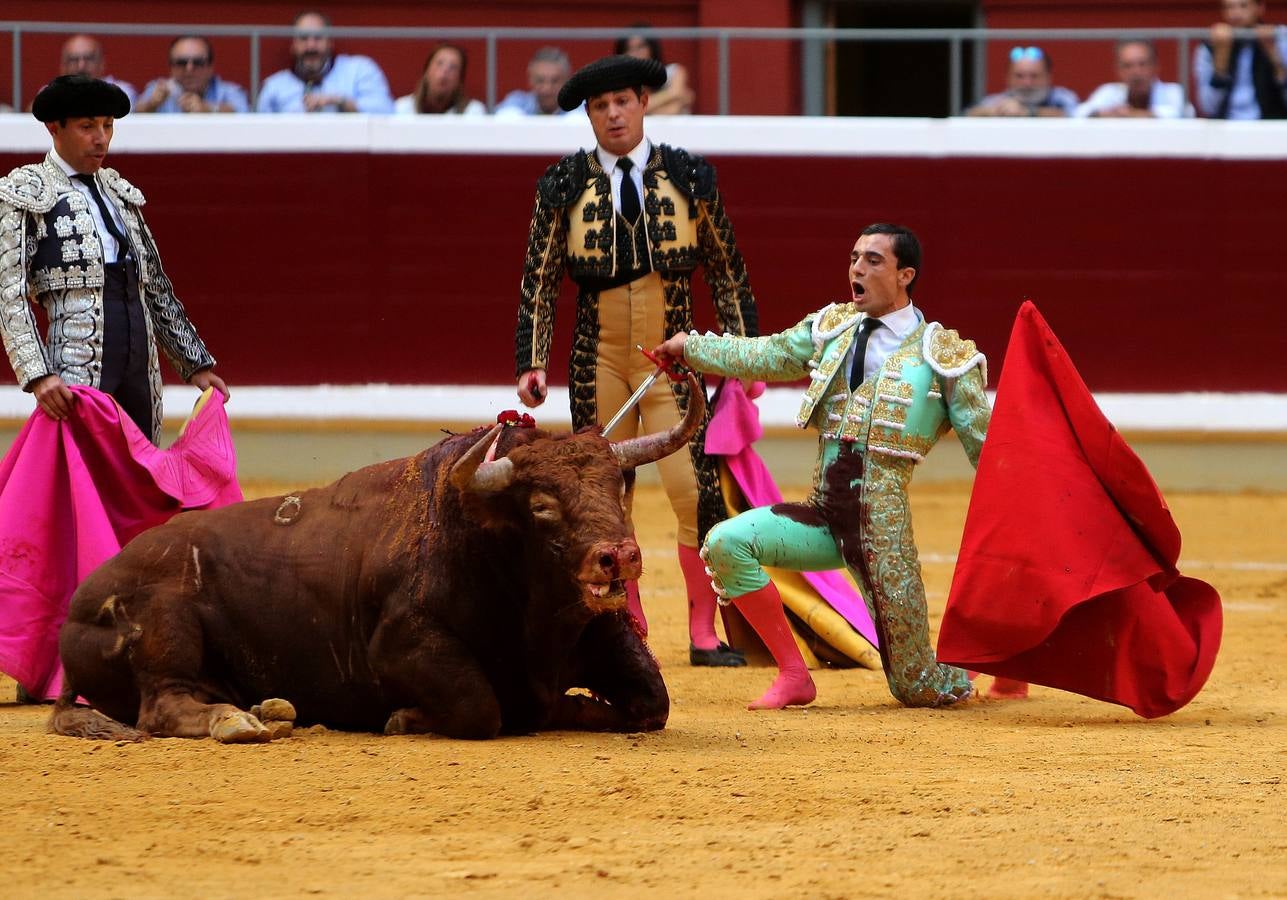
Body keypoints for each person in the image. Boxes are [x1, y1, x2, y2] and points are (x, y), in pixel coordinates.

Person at [654, 224, 989, 710]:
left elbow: (989, 448)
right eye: (854, 257)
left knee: (917, 687)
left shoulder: (944, 356)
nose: (857, 268)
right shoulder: (832, 329)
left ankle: (995, 662)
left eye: (874, 260)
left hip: (882, 535)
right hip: (822, 517)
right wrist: (693, 347)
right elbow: (765, 353)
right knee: (725, 543)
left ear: (905, 275)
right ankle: (794, 674)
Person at [514, 55, 759, 667]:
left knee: (691, 494)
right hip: (598, 360)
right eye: (600, 106)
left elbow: (727, 269)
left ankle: (703, 633)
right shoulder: (564, 184)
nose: (613, 114)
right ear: (588, 116)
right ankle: (625, 622)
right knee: (604, 501)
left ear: (644, 103)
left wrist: (745, 352)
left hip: (671, 364)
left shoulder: (689, 177)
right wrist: (532, 359)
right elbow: (540, 279)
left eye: (622, 101)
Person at [0, 75, 228, 447]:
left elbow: (154, 288)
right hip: (76, 363)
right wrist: (38, 375)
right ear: (54, 128)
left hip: (141, 360)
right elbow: (6, 293)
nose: (101, 138)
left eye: (108, 126)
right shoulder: (27, 191)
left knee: (142, 468)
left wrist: (196, 365)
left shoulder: (120, 193)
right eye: (87, 126)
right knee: (82, 473)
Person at [256, 10, 394, 114]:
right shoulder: (274, 86)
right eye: (303, 38)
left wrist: (340, 102)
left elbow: (385, 110)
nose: (311, 46)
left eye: (318, 38)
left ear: (330, 42)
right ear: (294, 45)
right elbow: (257, 131)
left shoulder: (359, 70)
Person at [1194, 0, 1287, 118]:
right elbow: (1208, 107)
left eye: (1243, 6)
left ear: (1260, 7)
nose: (1235, 14)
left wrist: (1274, 56)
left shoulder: (1280, 38)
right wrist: (1221, 58)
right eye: (1229, 7)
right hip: (1225, 128)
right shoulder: (1210, 45)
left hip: (1270, 127)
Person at [1076, 40, 1193, 118]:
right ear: (1118, 70)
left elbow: (1179, 114)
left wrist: (1130, 115)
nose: (1136, 72)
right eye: (1128, 66)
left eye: (1142, 64)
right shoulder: (1109, 91)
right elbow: (1080, 113)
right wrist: (1104, 114)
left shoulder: (1173, 92)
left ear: (1155, 66)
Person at [135, 35, 250, 114]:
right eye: (181, 63)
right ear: (171, 68)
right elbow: (132, 117)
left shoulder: (229, 92)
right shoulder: (159, 90)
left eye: (198, 62)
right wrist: (151, 105)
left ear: (211, 67)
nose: (189, 69)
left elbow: (243, 113)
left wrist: (208, 110)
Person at [966, 46, 1078, 117]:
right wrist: (995, 112)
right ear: (1008, 78)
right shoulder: (998, 100)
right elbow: (968, 114)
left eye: (1034, 76)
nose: (1027, 83)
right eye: (1019, 76)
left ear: (1048, 77)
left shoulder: (1062, 97)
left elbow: (1073, 115)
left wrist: (1027, 112)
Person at [614, 24, 694, 115]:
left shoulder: (674, 72)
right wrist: (672, 95)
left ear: (652, 48)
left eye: (640, 46)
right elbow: (630, 111)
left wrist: (641, 110)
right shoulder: (621, 83)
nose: (635, 53)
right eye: (629, 49)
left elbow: (674, 108)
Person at [394, 44, 486, 116]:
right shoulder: (402, 109)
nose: (445, 71)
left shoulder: (473, 113)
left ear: (459, 80)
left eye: (453, 67)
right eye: (439, 63)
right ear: (426, 72)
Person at [58, 34, 136, 110]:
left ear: (102, 63)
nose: (81, 67)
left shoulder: (122, 93)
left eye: (88, 59)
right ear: (63, 66)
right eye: (73, 60)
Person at [494, 47, 572, 117]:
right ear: (530, 80)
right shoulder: (516, 103)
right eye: (540, 81)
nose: (547, 89)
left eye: (555, 81)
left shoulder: (578, 109)